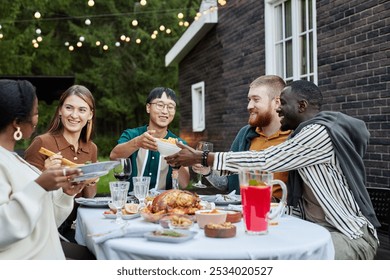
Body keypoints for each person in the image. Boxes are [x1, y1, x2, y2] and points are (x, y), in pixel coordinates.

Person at [166, 80, 380, 260]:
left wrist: (203, 156)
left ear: (302, 106)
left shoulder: (317, 132)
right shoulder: (297, 134)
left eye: (283, 103)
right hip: (312, 228)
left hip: (348, 234)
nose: (278, 109)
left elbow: (266, 160)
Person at [0, 79, 84, 259]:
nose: (37, 119)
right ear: (17, 123)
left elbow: (46, 220)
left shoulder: (14, 158)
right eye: (35, 113)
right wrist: (39, 186)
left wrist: (66, 193)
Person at [194, 75, 290, 200]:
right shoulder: (245, 134)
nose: (249, 106)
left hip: (283, 215)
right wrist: (207, 171)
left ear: (277, 103)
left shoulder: (294, 136)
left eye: (256, 99)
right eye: (249, 100)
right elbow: (227, 184)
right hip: (245, 211)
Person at [24, 85, 97, 243]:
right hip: (49, 228)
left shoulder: (91, 148)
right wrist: (44, 172)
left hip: (81, 225)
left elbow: (89, 198)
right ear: (60, 111)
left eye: (82, 110)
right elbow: (25, 194)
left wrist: (91, 180)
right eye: (69, 108)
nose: (74, 115)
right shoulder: (42, 143)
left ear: (90, 115)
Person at [110, 87, 190, 191]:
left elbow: (184, 184)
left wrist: (178, 162)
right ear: (148, 108)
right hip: (132, 203)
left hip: (163, 204)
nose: (165, 111)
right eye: (160, 105)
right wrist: (137, 143)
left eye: (170, 107)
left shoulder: (179, 143)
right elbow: (113, 156)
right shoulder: (131, 135)